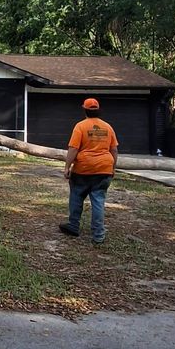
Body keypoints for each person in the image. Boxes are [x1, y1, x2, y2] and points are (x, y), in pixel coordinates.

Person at [59, 97, 118, 246]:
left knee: (77, 196)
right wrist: (113, 167)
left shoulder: (80, 126)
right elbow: (114, 149)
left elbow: (73, 149)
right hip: (104, 168)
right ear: (98, 110)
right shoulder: (108, 127)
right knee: (98, 200)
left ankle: (73, 225)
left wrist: (67, 167)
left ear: (84, 109)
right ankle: (98, 235)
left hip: (83, 169)